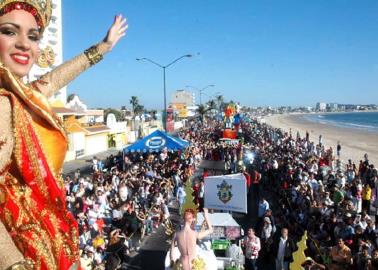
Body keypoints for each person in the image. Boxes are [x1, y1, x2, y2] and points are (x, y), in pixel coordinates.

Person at [0, 0, 127, 269]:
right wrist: (13, 262)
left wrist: (104, 46)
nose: (24, 44)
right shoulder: (2, 104)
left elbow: (57, 78)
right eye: (10, 31)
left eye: (33, 36)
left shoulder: (23, 96)